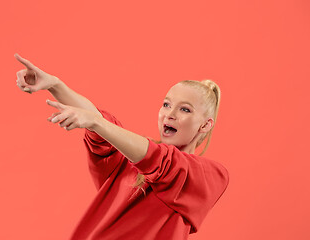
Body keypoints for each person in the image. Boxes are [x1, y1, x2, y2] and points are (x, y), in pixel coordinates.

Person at [15, 53, 229, 240]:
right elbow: (103, 127)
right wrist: (55, 85)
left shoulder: (210, 176)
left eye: (185, 110)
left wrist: (96, 123)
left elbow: (161, 161)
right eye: (166, 104)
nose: (170, 114)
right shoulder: (129, 157)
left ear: (205, 124)